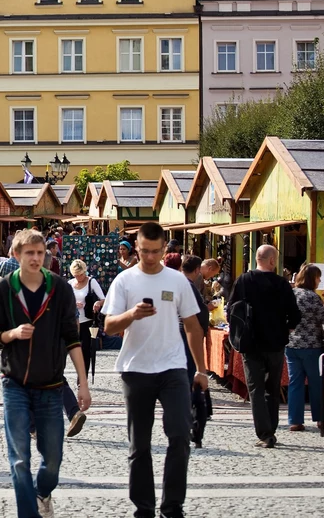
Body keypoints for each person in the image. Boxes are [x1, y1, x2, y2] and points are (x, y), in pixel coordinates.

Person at [101, 221, 208, 518]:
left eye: (156, 251)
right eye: (144, 251)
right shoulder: (124, 281)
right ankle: (144, 508)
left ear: (165, 248)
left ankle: (172, 506)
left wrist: (201, 369)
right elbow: (108, 326)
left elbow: (193, 326)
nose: (150, 257)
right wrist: (132, 314)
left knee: (179, 435)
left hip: (173, 367)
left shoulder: (177, 281)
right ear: (137, 247)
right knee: (140, 444)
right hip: (135, 369)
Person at [0, 229, 91, 518]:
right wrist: (12, 334)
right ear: (17, 255)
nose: (35, 258)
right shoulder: (4, 289)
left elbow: (72, 337)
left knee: (53, 460)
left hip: (51, 385)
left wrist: (83, 383)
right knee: (19, 458)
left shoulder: (59, 288)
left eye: (40, 253)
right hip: (15, 384)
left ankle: (42, 491)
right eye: (29, 253)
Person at [227, 245, 301, 448]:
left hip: (250, 343)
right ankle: (271, 428)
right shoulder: (281, 284)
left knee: (256, 389)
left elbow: (231, 310)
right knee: (272, 388)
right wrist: (288, 328)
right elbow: (295, 314)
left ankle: (265, 433)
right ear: (271, 261)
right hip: (276, 342)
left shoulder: (244, 280)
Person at [286, 265, 324, 432]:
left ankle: (295, 420)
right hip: (311, 346)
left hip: (292, 344)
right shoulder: (312, 297)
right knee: (316, 383)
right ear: (313, 279)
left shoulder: (291, 294)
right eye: (318, 277)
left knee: (295, 383)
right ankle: (320, 418)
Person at [63, 259, 105, 437]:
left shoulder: (92, 281)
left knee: (85, 352)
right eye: (75, 276)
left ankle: (82, 379)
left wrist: (96, 304)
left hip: (87, 323)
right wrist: (73, 305)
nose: (78, 278)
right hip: (72, 323)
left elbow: (103, 298)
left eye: (80, 275)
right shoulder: (69, 284)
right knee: (69, 351)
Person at [179, 255, 212, 378]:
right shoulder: (187, 285)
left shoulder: (179, 282)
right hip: (186, 331)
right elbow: (198, 311)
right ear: (197, 270)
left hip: (179, 330)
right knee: (188, 368)